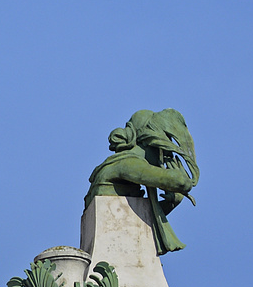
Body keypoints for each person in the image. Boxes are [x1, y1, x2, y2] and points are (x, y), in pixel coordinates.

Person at [85, 109, 199, 254]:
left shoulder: (127, 165)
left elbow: (135, 217)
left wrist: (171, 202)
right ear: (152, 143)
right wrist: (182, 179)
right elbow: (180, 182)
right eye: (164, 150)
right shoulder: (127, 163)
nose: (164, 158)